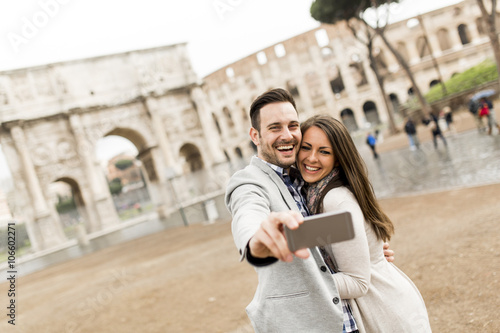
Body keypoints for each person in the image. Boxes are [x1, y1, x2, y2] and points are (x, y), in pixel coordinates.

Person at [225, 88, 394, 332]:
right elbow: (247, 212)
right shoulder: (248, 182)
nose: (287, 135)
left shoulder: (304, 176)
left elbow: (320, 240)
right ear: (255, 135)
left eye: (293, 125)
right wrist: (256, 240)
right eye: (274, 128)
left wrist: (367, 251)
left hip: (347, 321)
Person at [297, 115, 431, 332]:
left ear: (338, 159)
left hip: (385, 311)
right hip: (387, 300)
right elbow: (306, 241)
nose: (311, 158)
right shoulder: (315, 193)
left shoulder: (334, 200)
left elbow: (358, 282)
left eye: (324, 151)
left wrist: (299, 285)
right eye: (306, 147)